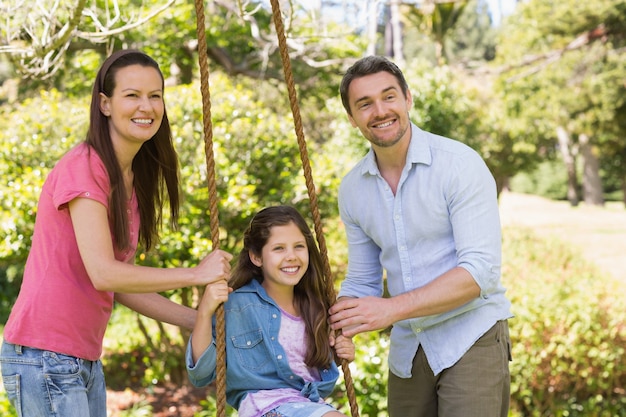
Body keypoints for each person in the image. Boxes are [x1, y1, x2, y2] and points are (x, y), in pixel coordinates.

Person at [0, 49, 233, 417]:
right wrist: (196, 275)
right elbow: (104, 272)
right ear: (105, 104)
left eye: (155, 95)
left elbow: (118, 285)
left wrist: (200, 319)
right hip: (45, 356)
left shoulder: (130, 179)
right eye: (132, 95)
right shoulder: (86, 167)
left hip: (81, 359)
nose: (147, 106)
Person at [327, 55, 513, 417]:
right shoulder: (352, 189)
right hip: (409, 350)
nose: (380, 110)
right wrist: (338, 325)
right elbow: (363, 280)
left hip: (470, 336)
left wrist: (391, 309)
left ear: (408, 99)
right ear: (352, 119)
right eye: (364, 104)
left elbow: (479, 273)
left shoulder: (459, 165)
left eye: (389, 96)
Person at [187, 205, 354, 417]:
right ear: (256, 257)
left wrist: (340, 353)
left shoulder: (316, 305)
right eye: (279, 248)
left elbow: (311, 364)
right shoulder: (237, 306)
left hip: (308, 405)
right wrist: (204, 312)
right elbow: (201, 374)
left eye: (299, 246)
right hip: (265, 407)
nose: (291, 256)